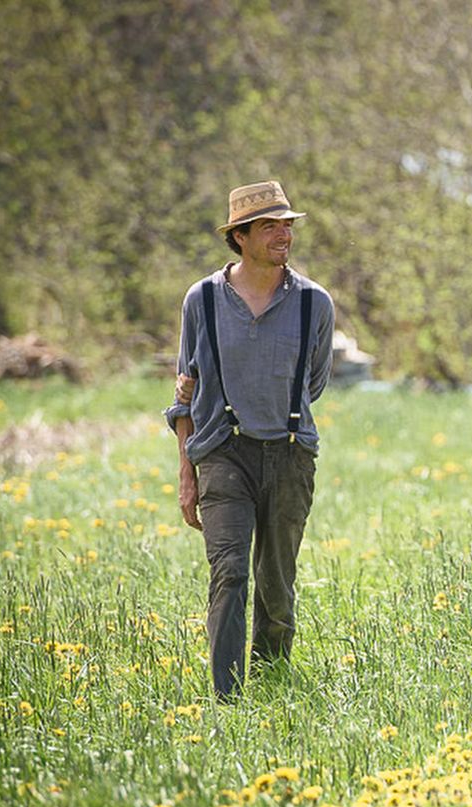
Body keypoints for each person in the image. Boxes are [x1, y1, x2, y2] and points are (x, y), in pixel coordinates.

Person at [165, 180, 335, 700]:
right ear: (239, 236)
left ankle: (271, 680)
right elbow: (184, 395)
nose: (283, 234)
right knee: (230, 574)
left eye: (288, 224)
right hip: (223, 453)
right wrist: (187, 474)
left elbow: (314, 383)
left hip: (289, 454)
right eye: (269, 226)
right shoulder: (203, 300)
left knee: (277, 584)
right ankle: (228, 698)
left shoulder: (314, 303)